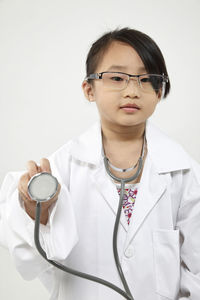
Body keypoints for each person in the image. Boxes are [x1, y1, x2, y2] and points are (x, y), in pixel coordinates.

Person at [0, 27, 200, 300]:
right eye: (117, 77)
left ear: (160, 90)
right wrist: (40, 214)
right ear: (89, 89)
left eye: (146, 79)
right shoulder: (62, 166)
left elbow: (197, 267)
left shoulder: (184, 172)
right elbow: (33, 261)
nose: (132, 90)